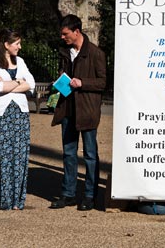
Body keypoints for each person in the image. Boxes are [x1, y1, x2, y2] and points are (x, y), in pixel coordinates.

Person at [49, 14, 107, 211]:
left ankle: (90, 195)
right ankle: (68, 194)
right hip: (68, 109)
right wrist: (59, 83)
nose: (62, 37)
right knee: (69, 154)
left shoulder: (96, 53)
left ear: (76, 31)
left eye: (65, 34)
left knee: (90, 154)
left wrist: (83, 83)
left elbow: (103, 82)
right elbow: (62, 74)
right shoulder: (65, 52)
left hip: (88, 110)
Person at [0, 28, 35, 210]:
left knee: (20, 156)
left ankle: (17, 201)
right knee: (4, 156)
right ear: (6, 45)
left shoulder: (20, 62)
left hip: (21, 113)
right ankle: (5, 200)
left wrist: (9, 85)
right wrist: (19, 82)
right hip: (2, 115)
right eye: (17, 44)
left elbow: (32, 84)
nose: (19, 47)